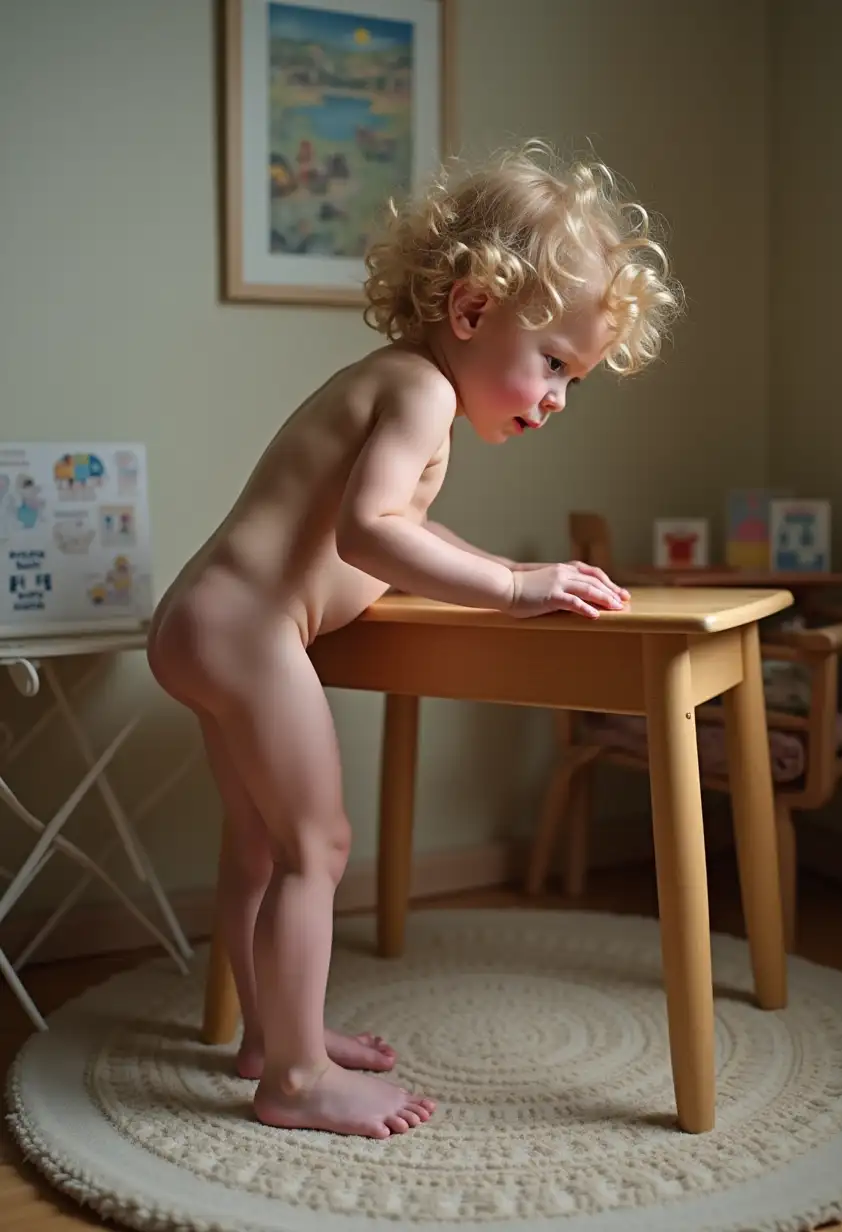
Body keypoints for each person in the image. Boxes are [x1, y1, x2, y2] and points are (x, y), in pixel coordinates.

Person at [147, 141, 680, 1139]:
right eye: (555, 362)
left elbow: (404, 528)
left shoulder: (391, 381)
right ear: (472, 311)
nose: (559, 396)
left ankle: (269, 1035)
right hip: (252, 631)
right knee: (320, 844)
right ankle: (295, 1078)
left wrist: (504, 577)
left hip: (206, 620)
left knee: (259, 847)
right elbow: (370, 532)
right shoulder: (422, 391)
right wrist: (518, 583)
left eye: (578, 377)